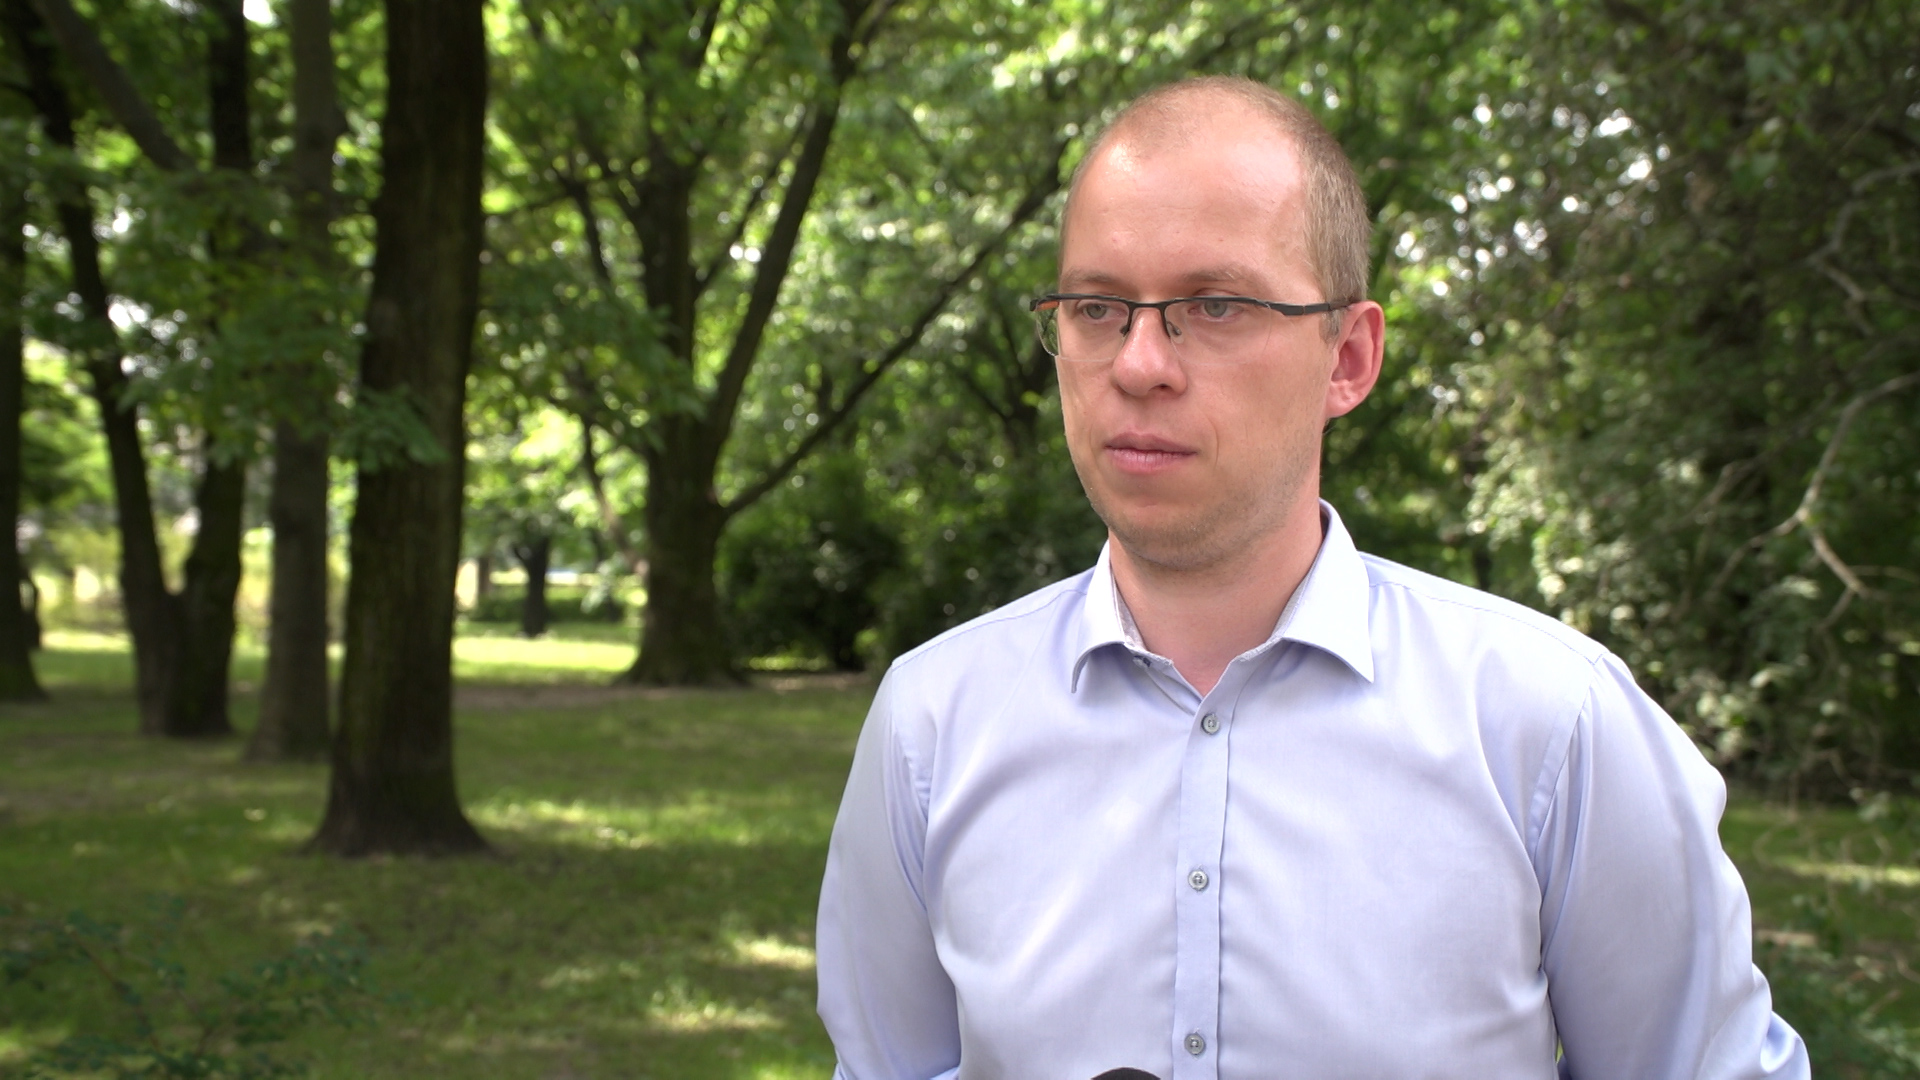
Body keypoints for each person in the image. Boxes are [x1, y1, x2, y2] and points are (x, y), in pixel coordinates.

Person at [815, 75, 1808, 1080]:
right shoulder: (931, 726)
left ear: (1349, 357)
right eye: (1097, 307)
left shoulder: (1549, 727)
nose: (1140, 363)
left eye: (1214, 305)